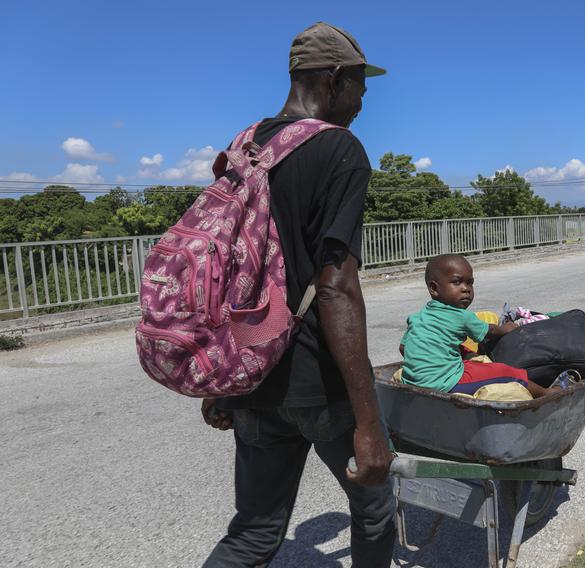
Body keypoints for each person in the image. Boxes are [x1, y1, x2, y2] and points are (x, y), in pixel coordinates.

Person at [200, 22, 396, 568]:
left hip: (253, 372)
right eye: (359, 85)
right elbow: (335, 288)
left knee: (254, 535)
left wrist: (220, 377)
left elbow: (222, 268)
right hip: (318, 382)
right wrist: (368, 423)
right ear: (334, 80)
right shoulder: (340, 150)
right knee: (376, 502)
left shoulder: (247, 145)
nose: (362, 99)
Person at [399, 254, 562, 398]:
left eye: (470, 283)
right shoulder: (461, 316)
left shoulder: (417, 317)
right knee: (505, 371)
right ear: (434, 288)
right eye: (457, 282)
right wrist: (507, 328)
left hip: (412, 381)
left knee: (463, 352)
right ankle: (546, 392)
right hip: (445, 383)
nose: (466, 289)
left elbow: (403, 348)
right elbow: (490, 331)